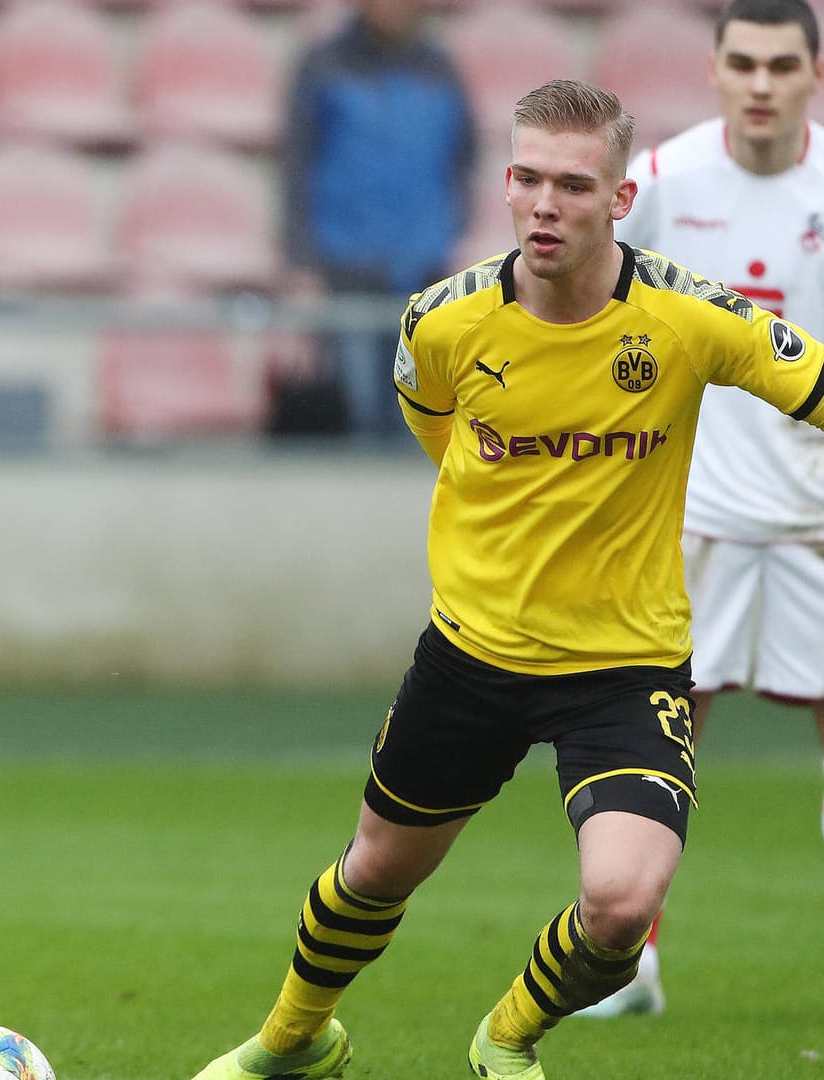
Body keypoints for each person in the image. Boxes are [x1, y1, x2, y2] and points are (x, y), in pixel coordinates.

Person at [191, 78, 824, 1080]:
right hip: (471, 657)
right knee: (372, 873)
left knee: (621, 903)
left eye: (573, 185)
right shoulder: (441, 323)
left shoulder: (688, 316)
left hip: (627, 665)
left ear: (620, 200)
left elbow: (814, 383)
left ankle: (507, 1036)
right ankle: (290, 1040)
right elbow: (435, 429)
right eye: (526, 178)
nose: (543, 204)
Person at [574, 0, 824, 1021]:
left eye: (780, 64)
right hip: (698, 512)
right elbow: (590, 311)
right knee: (662, 734)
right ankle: (624, 967)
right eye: (742, 63)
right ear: (716, 72)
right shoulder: (667, 183)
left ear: (813, 74)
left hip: (819, 515)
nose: (760, 83)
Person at [274, 0, 476, 442]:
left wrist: (456, 237)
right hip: (345, 269)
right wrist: (302, 266)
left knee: (420, 420)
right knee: (360, 419)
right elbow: (295, 169)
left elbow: (462, 163)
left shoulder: (442, 71)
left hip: (423, 275)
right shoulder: (323, 64)